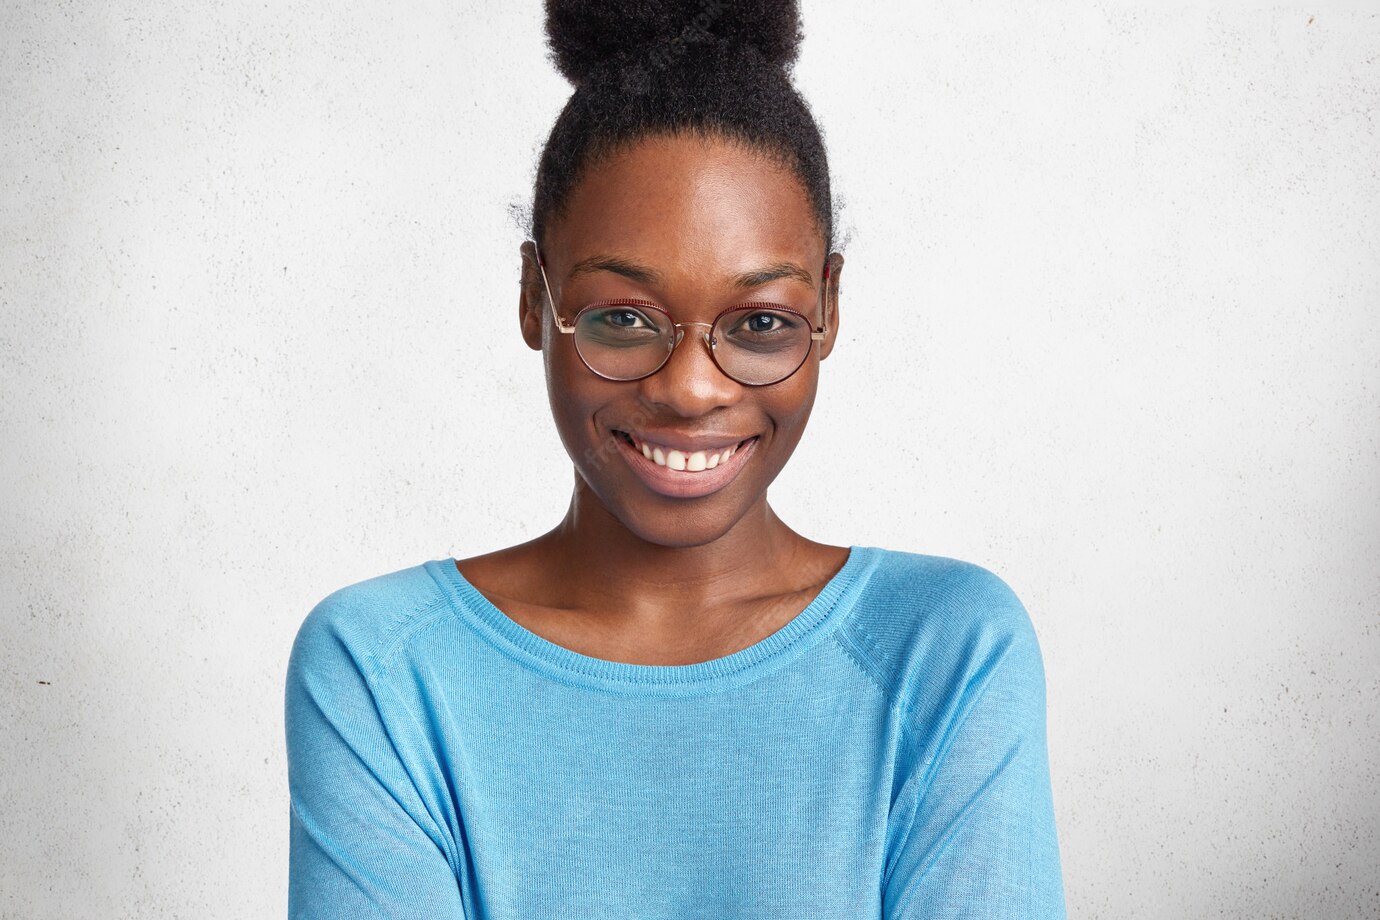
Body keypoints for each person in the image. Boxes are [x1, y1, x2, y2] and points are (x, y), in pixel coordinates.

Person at [283, 1, 1067, 917]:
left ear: (829, 307)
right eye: (622, 317)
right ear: (536, 300)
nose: (691, 389)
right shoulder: (382, 670)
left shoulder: (942, 651)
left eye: (761, 323)